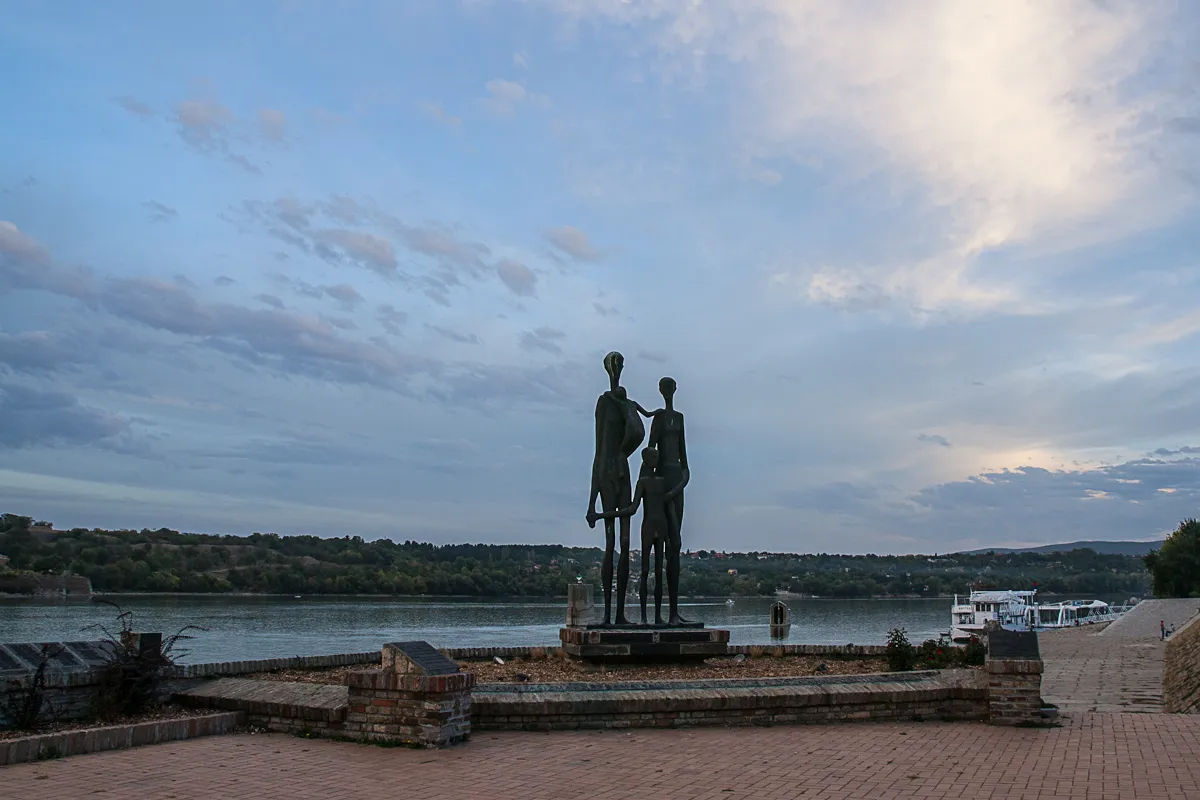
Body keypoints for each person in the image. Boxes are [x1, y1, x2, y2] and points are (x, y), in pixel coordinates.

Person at [586, 352, 657, 626]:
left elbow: (639, 428)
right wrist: (592, 502)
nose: (617, 371)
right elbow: (598, 449)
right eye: (613, 367)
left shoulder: (625, 403)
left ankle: (619, 615)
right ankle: (606, 615)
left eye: (619, 366)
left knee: (626, 543)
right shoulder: (604, 404)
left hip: (622, 471)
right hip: (606, 472)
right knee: (610, 542)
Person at [589, 447, 685, 626]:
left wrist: (675, 534)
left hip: (661, 526)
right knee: (645, 572)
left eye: (657, 456)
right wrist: (603, 515)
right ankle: (643, 618)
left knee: (658, 572)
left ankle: (657, 617)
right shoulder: (643, 483)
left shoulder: (662, 482)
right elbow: (632, 509)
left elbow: (669, 507)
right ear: (646, 459)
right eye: (652, 456)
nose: (656, 459)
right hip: (648, 527)